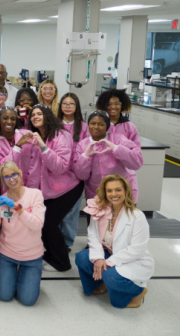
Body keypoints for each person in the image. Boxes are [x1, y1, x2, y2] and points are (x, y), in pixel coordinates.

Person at [12, 105, 83, 272]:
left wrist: (43, 146)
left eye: (39, 114)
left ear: (48, 116)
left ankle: (62, 263)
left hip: (67, 188)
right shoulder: (30, 137)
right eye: (33, 115)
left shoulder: (61, 135)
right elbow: (29, 167)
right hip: (47, 190)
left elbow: (60, 167)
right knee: (41, 222)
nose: (35, 117)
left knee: (49, 224)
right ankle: (51, 255)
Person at [75, 174, 154, 309]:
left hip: (133, 259)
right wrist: (99, 258)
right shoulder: (101, 210)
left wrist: (107, 262)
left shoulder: (137, 216)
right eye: (109, 190)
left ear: (126, 191)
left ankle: (139, 291)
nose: (114, 194)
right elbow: (93, 235)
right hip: (110, 252)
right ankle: (100, 283)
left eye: (118, 190)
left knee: (116, 299)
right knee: (82, 258)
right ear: (105, 193)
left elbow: (137, 249)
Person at [0, 162, 45, 306]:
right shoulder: (1, 202)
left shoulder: (35, 195)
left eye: (14, 174)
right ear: (2, 180)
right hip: (7, 255)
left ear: (21, 173)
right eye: (6, 177)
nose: (11, 179)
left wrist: (18, 208)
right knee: (4, 296)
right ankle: (13, 277)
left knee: (28, 300)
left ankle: (24, 276)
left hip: (32, 257)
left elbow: (37, 224)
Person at [73, 111, 143, 203]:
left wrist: (116, 148)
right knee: (97, 217)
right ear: (88, 125)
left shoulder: (119, 140)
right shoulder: (82, 145)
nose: (96, 127)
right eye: (92, 123)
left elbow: (137, 163)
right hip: (96, 194)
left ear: (107, 126)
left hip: (121, 193)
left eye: (101, 124)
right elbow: (81, 175)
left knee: (122, 217)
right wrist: (85, 156)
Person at [58, 92, 89, 250]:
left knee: (71, 211)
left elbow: (87, 150)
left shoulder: (84, 127)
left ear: (76, 107)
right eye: (65, 104)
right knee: (55, 211)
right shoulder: (55, 124)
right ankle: (54, 241)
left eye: (71, 104)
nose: (68, 107)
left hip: (75, 176)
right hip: (56, 175)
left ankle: (67, 242)